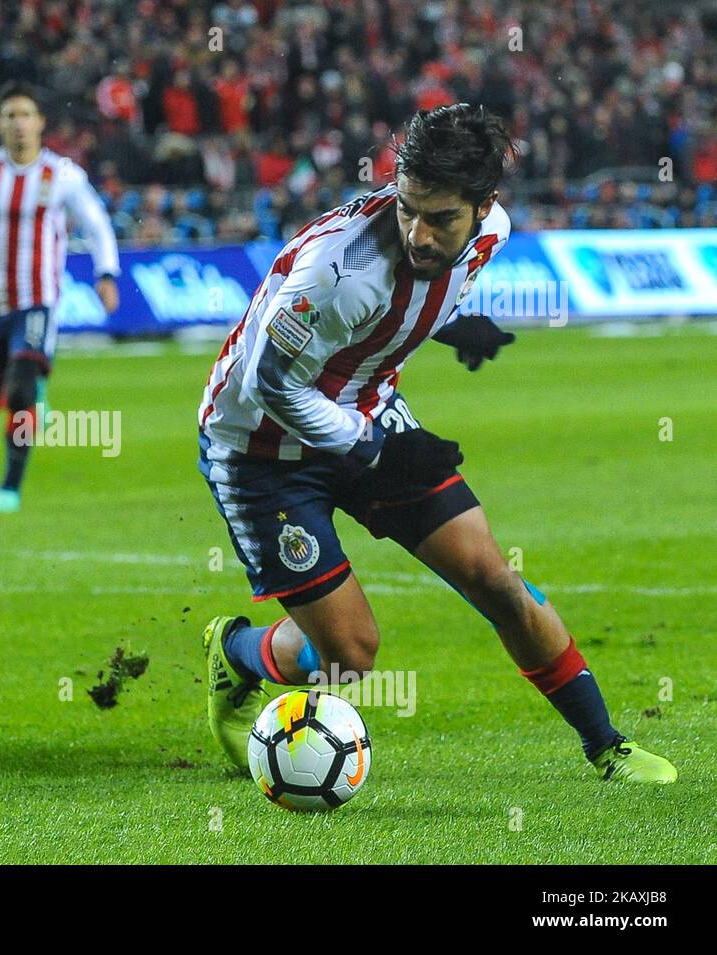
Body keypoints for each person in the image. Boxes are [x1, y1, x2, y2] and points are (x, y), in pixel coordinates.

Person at [197, 104, 675, 784]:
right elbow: (268, 382)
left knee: (493, 575)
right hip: (257, 449)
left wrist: (454, 324)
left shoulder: (492, 235)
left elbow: (410, 300)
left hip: (363, 408)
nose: (419, 233)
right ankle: (238, 652)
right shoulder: (335, 271)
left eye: (439, 217)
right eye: (407, 208)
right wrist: (371, 451)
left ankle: (607, 744)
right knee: (350, 656)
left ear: (484, 207)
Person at [0, 82, 121, 512]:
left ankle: (10, 486)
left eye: (26, 115)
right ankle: (24, 397)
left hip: (37, 300)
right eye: (10, 115)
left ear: (41, 123)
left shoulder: (62, 175)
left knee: (22, 390)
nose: (19, 124)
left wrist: (106, 274)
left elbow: (96, 224)